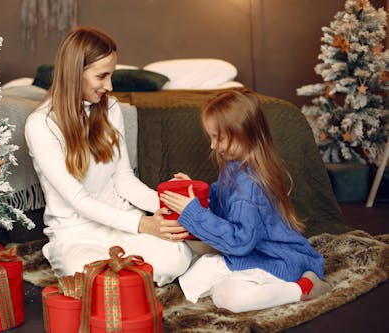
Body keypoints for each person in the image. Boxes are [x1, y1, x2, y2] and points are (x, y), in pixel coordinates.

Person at [24, 26, 192, 286]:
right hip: (76, 233)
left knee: (176, 257)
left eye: (111, 75)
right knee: (89, 274)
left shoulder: (111, 108)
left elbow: (124, 179)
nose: (109, 86)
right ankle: (125, 281)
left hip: (122, 222)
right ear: (74, 73)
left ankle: (127, 281)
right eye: (101, 76)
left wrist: (165, 205)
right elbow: (79, 201)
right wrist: (144, 225)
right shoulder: (41, 125)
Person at [159, 89, 331, 312]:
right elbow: (222, 198)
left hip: (276, 259)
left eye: (218, 138)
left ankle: (303, 288)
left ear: (244, 134)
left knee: (228, 296)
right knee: (196, 275)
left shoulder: (250, 186)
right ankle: (258, 284)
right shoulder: (235, 166)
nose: (212, 146)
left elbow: (240, 243)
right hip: (254, 252)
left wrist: (195, 213)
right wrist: (197, 192)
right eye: (211, 137)